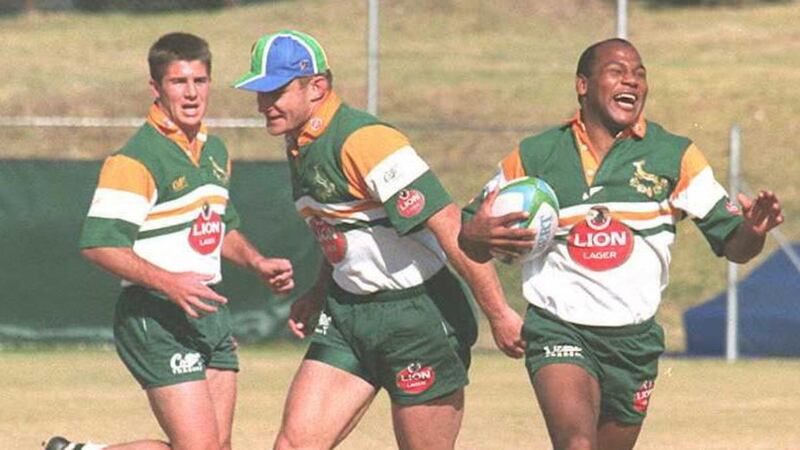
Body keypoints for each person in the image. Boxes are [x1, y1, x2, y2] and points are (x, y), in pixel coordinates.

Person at [459, 37, 784, 450]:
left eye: (639, 73)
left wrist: (753, 233)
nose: (631, 80)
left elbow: (734, 246)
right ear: (583, 84)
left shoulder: (673, 155)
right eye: (617, 71)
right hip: (560, 328)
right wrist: (476, 234)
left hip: (634, 342)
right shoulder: (536, 155)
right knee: (576, 443)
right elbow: (469, 229)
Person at [232, 30, 522, 450]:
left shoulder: (366, 140)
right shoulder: (301, 141)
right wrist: (317, 292)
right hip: (348, 313)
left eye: (275, 91)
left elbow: (448, 224)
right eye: (259, 92)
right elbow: (341, 229)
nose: (264, 104)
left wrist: (499, 313)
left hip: (417, 315)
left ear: (318, 87)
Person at [44, 32, 294, 450]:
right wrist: (169, 282)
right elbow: (99, 244)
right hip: (155, 313)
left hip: (207, 310)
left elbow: (220, 226)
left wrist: (256, 262)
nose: (192, 93)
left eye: (200, 80)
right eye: (179, 82)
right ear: (156, 88)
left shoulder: (214, 149)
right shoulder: (135, 159)